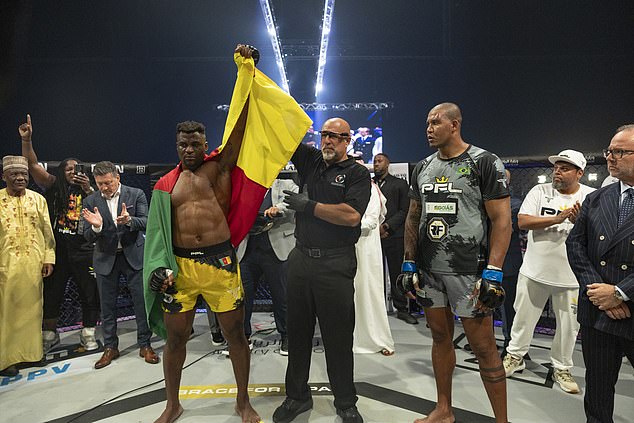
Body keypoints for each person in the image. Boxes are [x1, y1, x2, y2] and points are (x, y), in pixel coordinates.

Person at [403, 103, 511, 423]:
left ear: (455, 125)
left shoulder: (484, 161)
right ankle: (444, 409)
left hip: (469, 271)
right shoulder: (422, 167)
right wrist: (409, 264)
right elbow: (413, 217)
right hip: (430, 270)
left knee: (484, 348)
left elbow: (502, 220)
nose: (429, 128)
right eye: (427, 123)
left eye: (436, 122)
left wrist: (493, 271)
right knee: (439, 338)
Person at [272, 117, 371, 423]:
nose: (328, 140)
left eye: (335, 136)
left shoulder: (356, 173)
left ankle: (345, 402)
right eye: (324, 134)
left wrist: (308, 206)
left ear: (347, 140)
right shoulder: (312, 160)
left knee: (338, 337)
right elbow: (282, 135)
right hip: (301, 259)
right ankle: (297, 397)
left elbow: (351, 216)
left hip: (336, 262)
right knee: (298, 333)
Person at [502, 150, 594, 394]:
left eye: (565, 168)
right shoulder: (539, 191)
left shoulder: (591, 196)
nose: (558, 171)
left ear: (579, 173)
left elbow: (597, 234)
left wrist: (578, 223)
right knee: (522, 319)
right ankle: (515, 356)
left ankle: (562, 367)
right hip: (534, 271)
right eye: (557, 167)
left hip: (571, 277)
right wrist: (558, 218)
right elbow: (522, 222)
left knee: (568, 327)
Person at [567, 125, 634, 422]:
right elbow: (575, 245)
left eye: (620, 151)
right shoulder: (597, 198)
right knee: (597, 391)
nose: (611, 157)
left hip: (630, 308)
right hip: (598, 313)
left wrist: (620, 293)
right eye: (610, 150)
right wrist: (599, 291)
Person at [19, 114, 100, 352]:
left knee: (89, 293)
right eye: (69, 168)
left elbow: (102, 213)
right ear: (62, 170)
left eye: (78, 168)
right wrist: (27, 141)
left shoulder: (91, 191)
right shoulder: (54, 185)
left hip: (84, 250)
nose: (74, 171)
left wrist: (88, 189)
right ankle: (50, 334)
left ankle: (88, 333)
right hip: (58, 250)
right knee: (52, 293)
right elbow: (32, 165)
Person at [81, 161, 158, 369]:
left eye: (108, 183)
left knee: (141, 303)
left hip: (133, 255)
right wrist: (96, 228)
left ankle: (145, 344)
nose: (104, 188)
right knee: (107, 307)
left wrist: (130, 220)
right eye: (100, 184)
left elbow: (147, 220)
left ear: (117, 178)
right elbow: (85, 235)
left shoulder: (136, 194)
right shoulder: (90, 201)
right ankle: (110, 347)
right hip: (106, 258)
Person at [0, 155, 55, 377]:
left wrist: (48, 257)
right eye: (14, 174)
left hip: (33, 265)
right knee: (6, 314)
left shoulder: (38, 199)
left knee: (33, 311)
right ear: (4, 177)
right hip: (5, 266)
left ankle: (32, 354)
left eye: (23, 174)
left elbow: (47, 231)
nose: (21, 178)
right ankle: (7, 360)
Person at [237, 177, 298, 355]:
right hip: (248, 248)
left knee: (282, 296)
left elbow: (293, 200)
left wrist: (277, 209)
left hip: (276, 248)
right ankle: (242, 338)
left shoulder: (285, 183)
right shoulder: (244, 186)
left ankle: (287, 337)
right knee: (242, 297)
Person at [373, 152, 417, 324]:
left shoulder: (399, 184)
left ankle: (402, 309)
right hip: (372, 237)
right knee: (375, 274)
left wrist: (387, 226)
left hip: (394, 235)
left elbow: (404, 210)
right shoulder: (367, 185)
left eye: (379, 161)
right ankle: (376, 310)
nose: (376, 164)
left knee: (396, 273)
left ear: (388, 163)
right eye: (375, 161)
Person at [353, 179, 395, 355]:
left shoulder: (369, 188)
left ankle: (377, 339)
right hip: (344, 247)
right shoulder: (348, 185)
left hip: (365, 248)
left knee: (368, 291)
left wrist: (340, 223)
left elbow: (371, 221)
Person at [499, 169, 524, 353]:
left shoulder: (515, 204)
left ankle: (511, 345)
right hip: (483, 260)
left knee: (509, 307)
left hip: (508, 262)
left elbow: (506, 229)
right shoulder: (480, 200)